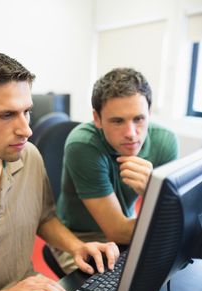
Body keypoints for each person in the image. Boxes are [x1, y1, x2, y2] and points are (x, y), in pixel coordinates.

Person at [0, 48, 120, 291]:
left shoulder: (28, 157)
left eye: (27, 112)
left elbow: (44, 217)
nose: (26, 129)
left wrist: (76, 247)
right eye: (6, 115)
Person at [51, 67, 179, 274]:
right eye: (118, 121)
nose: (131, 133)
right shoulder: (83, 144)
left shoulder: (165, 141)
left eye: (139, 119)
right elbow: (117, 231)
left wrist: (155, 195)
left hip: (130, 223)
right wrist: (163, 202)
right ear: (97, 118)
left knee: (171, 277)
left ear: (149, 112)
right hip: (79, 237)